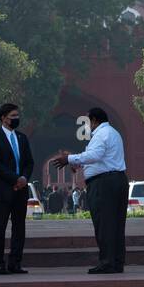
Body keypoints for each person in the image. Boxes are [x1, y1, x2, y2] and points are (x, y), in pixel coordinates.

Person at [53, 107, 127, 274]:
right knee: (116, 224)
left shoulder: (101, 134)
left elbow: (96, 155)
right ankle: (116, 262)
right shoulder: (113, 133)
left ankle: (107, 262)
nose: (86, 126)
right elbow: (99, 158)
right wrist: (77, 164)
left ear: (94, 120)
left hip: (104, 184)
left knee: (104, 224)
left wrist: (69, 159)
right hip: (116, 180)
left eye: (87, 122)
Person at [0, 103, 33, 275]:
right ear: (4, 118)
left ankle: (15, 263)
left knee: (19, 228)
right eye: (13, 116)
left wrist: (24, 178)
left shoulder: (22, 138)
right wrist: (15, 178)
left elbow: (29, 162)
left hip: (20, 190)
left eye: (17, 116)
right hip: (2, 190)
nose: (16, 119)